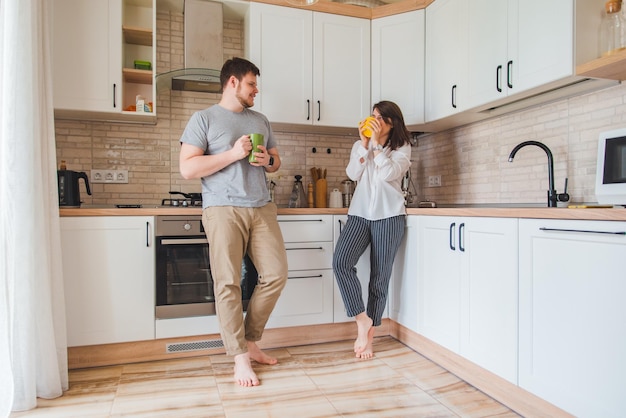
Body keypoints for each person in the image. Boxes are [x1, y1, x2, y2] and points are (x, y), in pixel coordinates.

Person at [179, 57, 288, 387]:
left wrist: (267, 159)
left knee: (276, 275)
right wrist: (232, 154)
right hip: (223, 208)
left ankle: (251, 340)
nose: (257, 90)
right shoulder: (204, 119)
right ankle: (239, 357)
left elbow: (277, 162)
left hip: (261, 206)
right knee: (228, 283)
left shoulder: (261, 120)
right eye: (252, 83)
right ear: (233, 83)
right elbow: (188, 168)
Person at [333, 100, 412, 360]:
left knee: (379, 277)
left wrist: (377, 145)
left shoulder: (402, 149)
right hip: (360, 213)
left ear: (391, 122)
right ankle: (361, 319)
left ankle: (369, 338)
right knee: (341, 262)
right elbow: (352, 173)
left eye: (379, 117)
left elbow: (387, 174)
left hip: (389, 217)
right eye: (373, 115)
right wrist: (365, 145)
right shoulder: (362, 145)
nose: (373, 120)